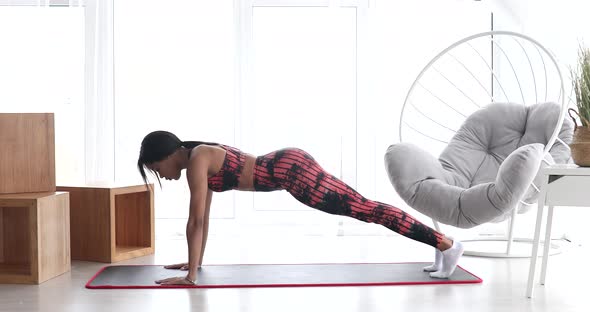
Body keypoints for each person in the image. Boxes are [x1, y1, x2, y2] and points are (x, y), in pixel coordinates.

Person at [137, 130, 464, 285]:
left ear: (166, 156)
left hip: (291, 172)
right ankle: (441, 245)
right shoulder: (199, 156)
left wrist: (192, 277)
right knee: (367, 208)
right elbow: (203, 220)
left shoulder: (198, 158)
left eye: (155, 168)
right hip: (289, 166)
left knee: (366, 210)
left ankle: (447, 244)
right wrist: (194, 265)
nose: (160, 175)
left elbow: (194, 221)